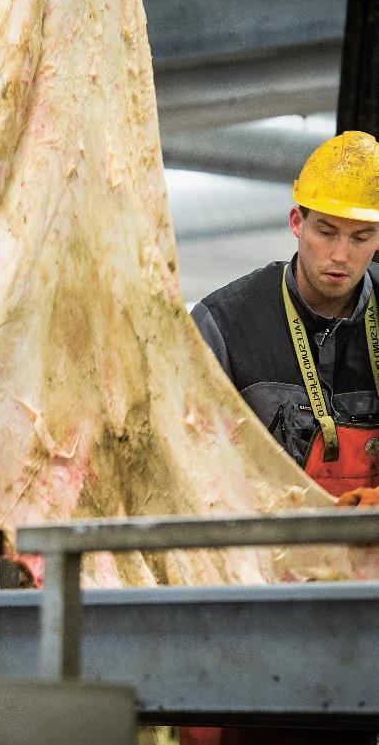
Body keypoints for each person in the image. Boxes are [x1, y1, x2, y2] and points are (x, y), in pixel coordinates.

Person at [184, 131, 379, 745]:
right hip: (256, 601)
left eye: (362, 237)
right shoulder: (223, 325)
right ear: (295, 220)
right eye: (325, 230)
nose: (341, 256)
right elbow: (183, 465)